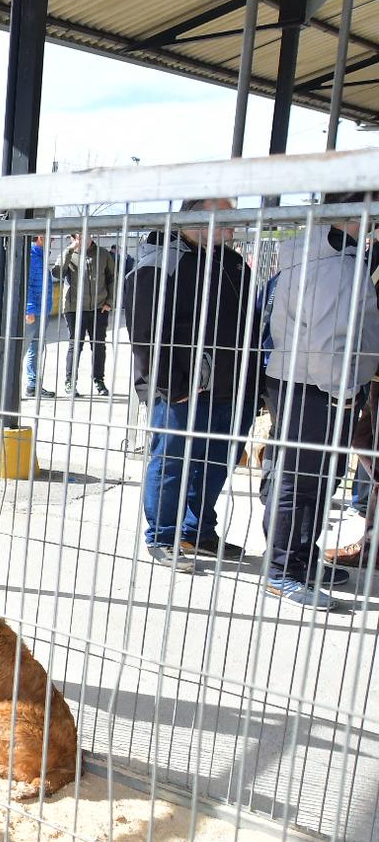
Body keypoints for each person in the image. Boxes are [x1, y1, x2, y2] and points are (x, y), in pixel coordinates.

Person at [258, 190, 379, 608]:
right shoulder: (330, 264)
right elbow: (329, 339)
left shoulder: (327, 255)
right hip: (317, 387)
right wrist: (345, 392)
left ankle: (302, 561)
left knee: (315, 481)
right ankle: (283, 572)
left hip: (311, 384)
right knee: (299, 482)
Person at [123, 198, 256, 574]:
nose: (233, 225)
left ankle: (196, 531)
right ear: (195, 215)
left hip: (232, 385)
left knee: (217, 460)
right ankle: (163, 536)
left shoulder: (228, 262)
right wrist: (172, 384)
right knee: (172, 460)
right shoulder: (162, 259)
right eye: (225, 216)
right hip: (183, 389)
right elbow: (146, 331)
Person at [52, 230, 118, 397]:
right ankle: (70, 382)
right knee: (75, 346)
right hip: (74, 309)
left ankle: (99, 381)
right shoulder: (69, 254)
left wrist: (110, 302)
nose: (83, 239)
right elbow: (57, 273)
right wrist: (70, 250)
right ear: (72, 238)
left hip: (99, 308)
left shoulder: (103, 255)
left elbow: (113, 278)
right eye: (79, 236)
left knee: (98, 346)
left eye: (86, 235)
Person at [23, 233, 55, 398]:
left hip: (43, 310)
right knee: (22, 349)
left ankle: (33, 385)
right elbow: (26, 285)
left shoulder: (41, 256)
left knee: (35, 348)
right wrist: (29, 310)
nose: (53, 241)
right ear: (41, 237)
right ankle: (8, 388)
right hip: (34, 312)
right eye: (51, 238)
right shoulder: (31, 257)